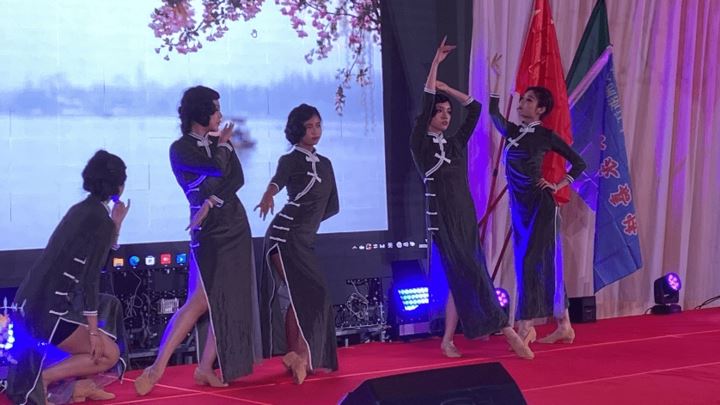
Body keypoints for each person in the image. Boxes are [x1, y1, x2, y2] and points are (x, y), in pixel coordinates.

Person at [410, 38, 533, 360]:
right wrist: (435, 66)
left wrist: (448, 89)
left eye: (449, 112)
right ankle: (506, 330)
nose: (446, 116)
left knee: (463, 274)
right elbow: (426, 100)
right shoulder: (420, 142)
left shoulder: (454, 144)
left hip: (465, 214)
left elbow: (475, 108)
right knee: (471, 272)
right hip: (442, 218)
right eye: (440, 112)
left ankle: (448, 340)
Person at [134, 86, 261, 395]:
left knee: (226, 298)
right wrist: (224, 147)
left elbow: (237, 179)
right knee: (200, 300)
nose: (220, 115)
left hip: (234, 223)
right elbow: (215, 169)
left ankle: (205, 367)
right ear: (201, 112)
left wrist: (213, 199)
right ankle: (157, 367)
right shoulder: (180, 148)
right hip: (208, 230)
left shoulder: (220, 143)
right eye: (215, 109)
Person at [6, 150, 130, 405]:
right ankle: (43, 380)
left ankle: (79, 386)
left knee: (109, 306)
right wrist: (93, 334)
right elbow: (91, 279)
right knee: (109, 354)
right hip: (50, 309)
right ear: (118, 185)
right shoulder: (99, 218)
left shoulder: (82, 209)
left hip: (33, 299)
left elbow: (92, 262)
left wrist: (115, 224)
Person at [488, 53, 587, 345]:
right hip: (519, 207)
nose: (522, 104)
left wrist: (558, 184)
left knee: (531, 263)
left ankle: (526, 325)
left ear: (541, 109)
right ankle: (564, 324)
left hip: (540, 205)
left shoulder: (546, 135)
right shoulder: (513, 132)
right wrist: (496, 79)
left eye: (529, 100)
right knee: (536, 264)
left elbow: (579, 163)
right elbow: (493, 112)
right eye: (521, 100)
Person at [255, 103, 339, 384]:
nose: (315, 131)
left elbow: (331, 207)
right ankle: (299, 355)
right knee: (307, 293)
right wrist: (268, 195)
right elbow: (277, 182)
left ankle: (297, 355)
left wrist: (308, 223)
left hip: (303, 239)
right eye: (309, 127)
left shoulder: (326, 164)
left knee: (302, 295)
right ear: (297, 130)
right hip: (283, 236)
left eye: (318, 125)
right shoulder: (289, 159)